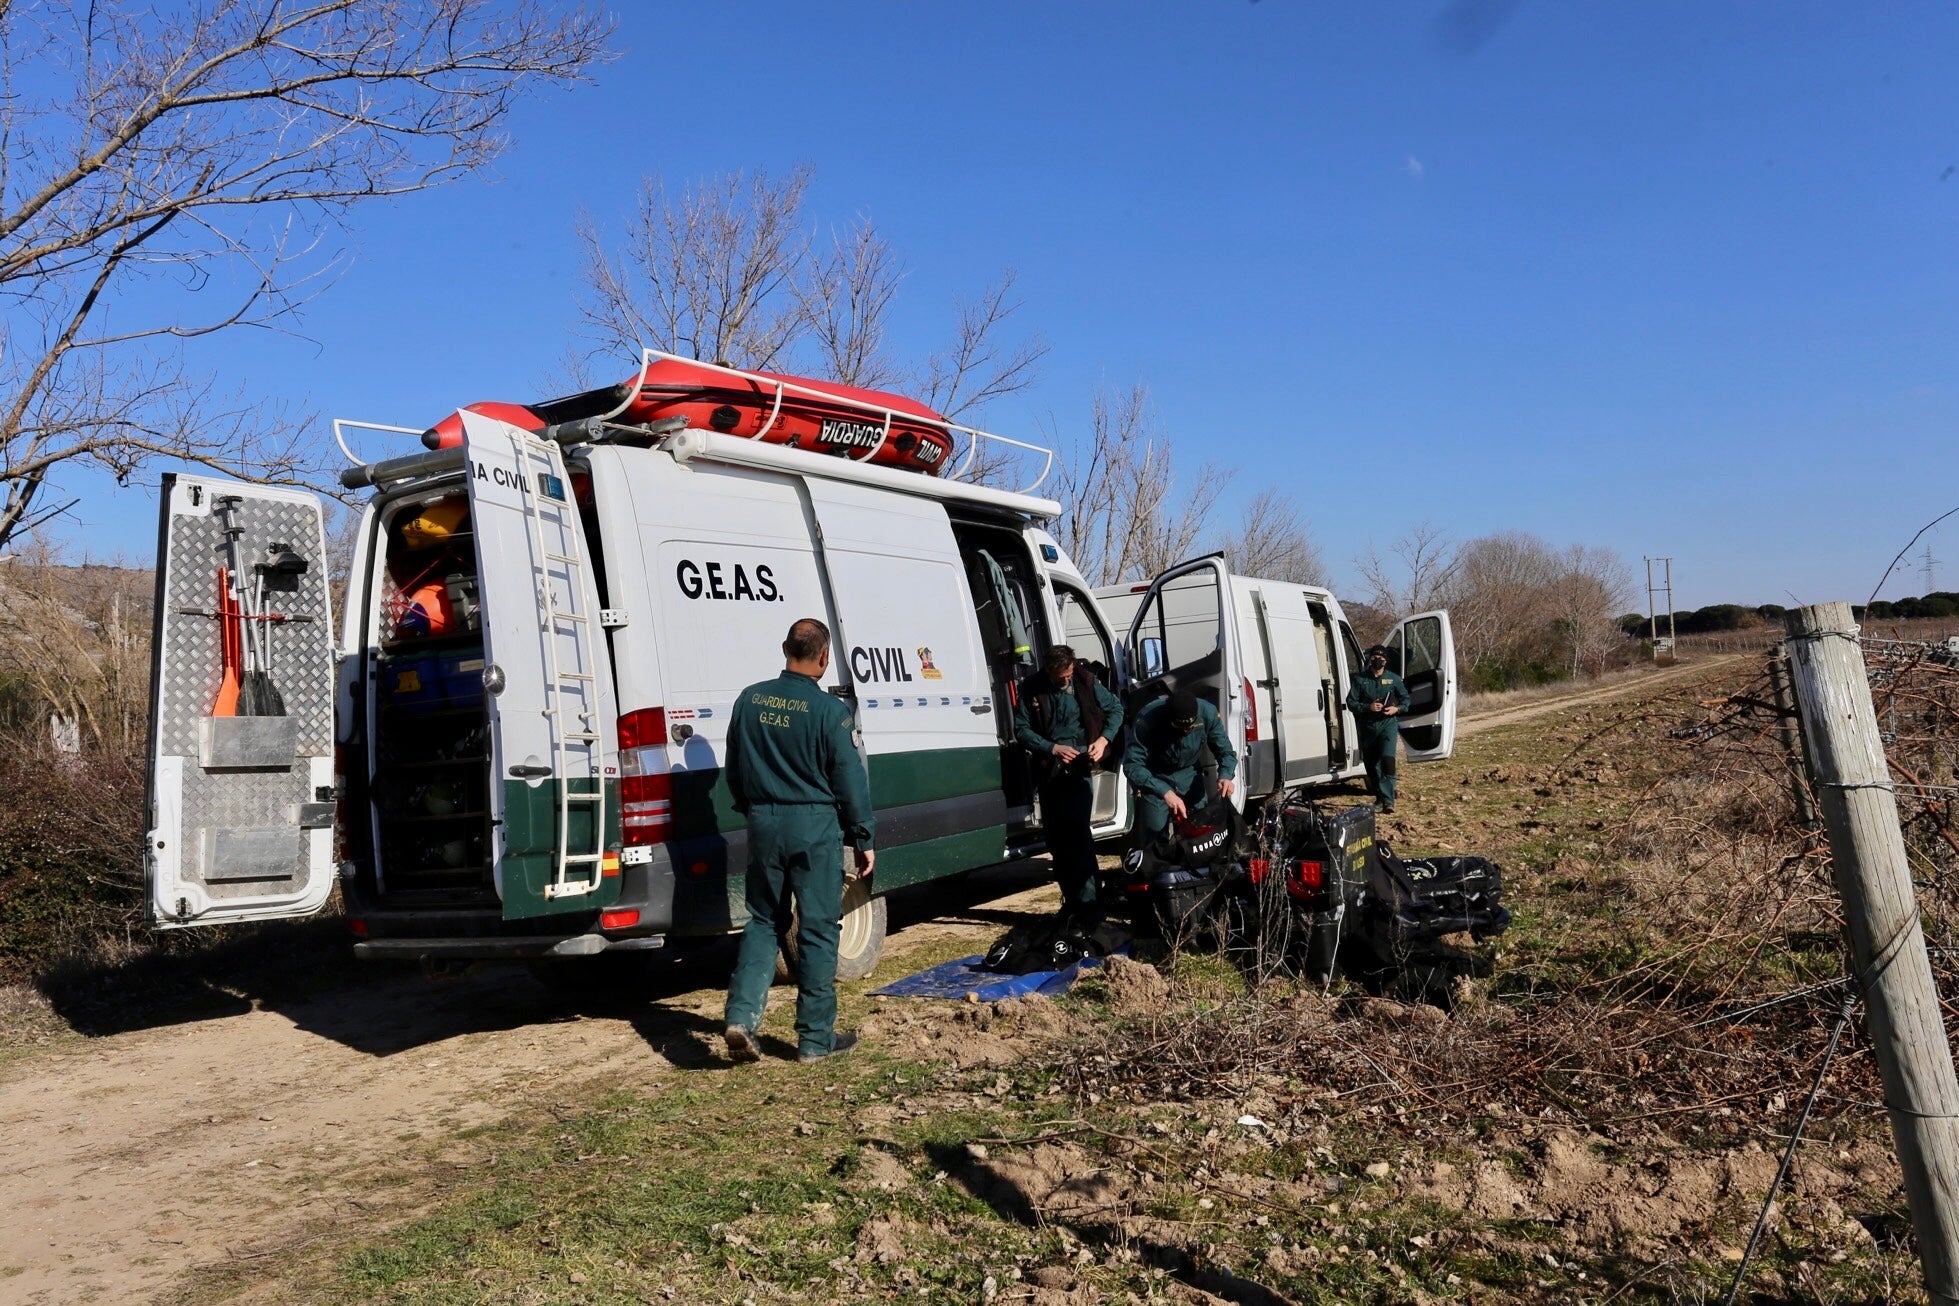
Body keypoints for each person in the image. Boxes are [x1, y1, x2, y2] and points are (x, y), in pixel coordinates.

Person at [722, 617, 876, 1065]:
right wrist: (863, 835)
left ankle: (741, 1019)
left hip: (763, 821)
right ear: (824, 657)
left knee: (763, 921)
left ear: (784, 648)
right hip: (813, 826)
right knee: (817, 926)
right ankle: (814, 1039)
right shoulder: (830, 713)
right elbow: (850, 781)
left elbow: (734, 767)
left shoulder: (749, 699)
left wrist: (751, 809)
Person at [1013, 645, 1125, 928]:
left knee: (1078, 837)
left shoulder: (1085, 681)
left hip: (1080, 768)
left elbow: (1115, 710)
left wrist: (1103, 741)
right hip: (1050, 769)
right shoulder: (1031, 688)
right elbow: (1022, 729)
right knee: (1057, 840)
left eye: (1069, 674)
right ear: (1049, 671)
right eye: (1061, 677)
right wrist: (1051, 748)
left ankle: (1092, 908)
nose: (1066, 680)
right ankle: (1072, 905)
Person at [1124, 687, 1238, 845]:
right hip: (1156, 777)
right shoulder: (1147, 719)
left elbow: (1225, 751)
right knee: (1154, 838)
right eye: (1180, 728)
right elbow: (1132, 766)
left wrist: (1225, 775)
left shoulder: (1208, 713)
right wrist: (1165, 792)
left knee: (1201, 832)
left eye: (1190, 728)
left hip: (1189, 775)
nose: (1186, 731)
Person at [1346, 644, 1411, 813]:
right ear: (1370, 659)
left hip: (1387, 725)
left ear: (1386, 661)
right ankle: (1380, 798)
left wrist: (1397, 709)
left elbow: (1406, 700)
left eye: (1381, 658)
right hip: (1368, 727)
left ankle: (1389, 801)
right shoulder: (1360, 680)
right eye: (1374, 657)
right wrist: (1368, 707)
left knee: (1387, 761)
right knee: (1372, 764)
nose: (1378, 660)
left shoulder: (1394, 679)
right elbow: (1351, 702)